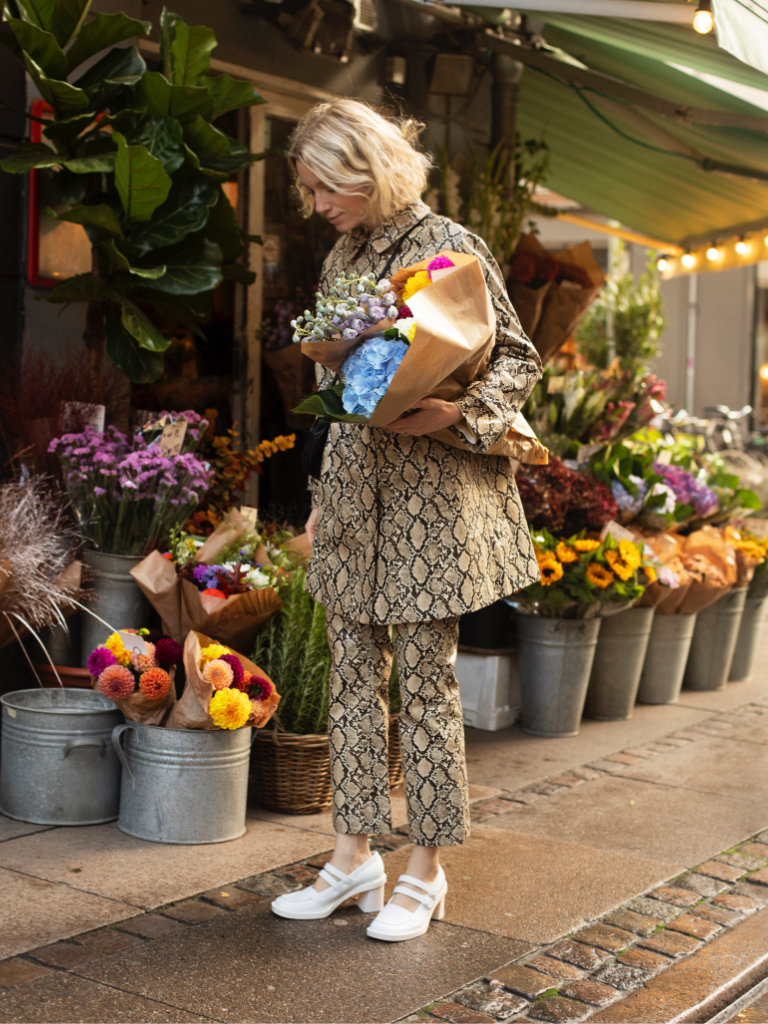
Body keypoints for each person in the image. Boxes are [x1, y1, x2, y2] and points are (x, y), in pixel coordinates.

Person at [270, 97, 542, 942]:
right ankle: (353, 858)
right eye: (310, 191)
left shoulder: (450, 245)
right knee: (353, 676)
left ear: (368, 169)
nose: (316, 206)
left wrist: (453, 418)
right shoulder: (345, 253)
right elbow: (347, 381)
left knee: (423, 683)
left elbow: (518, 359)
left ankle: (426, 870)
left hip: (430, 497)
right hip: (356, 494)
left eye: (324, 188)